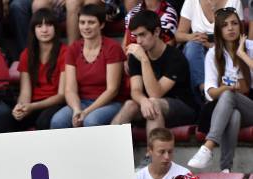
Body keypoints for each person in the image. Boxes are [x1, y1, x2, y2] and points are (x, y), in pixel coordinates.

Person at [111, 11, 195, 140]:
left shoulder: (175, 57)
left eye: (143, 35)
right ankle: (109, 150)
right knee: (130, 105)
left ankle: (150, 157)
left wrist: (144, 60)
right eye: (136, 36)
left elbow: (155, 93)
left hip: (182, 107)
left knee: (154, 103)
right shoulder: (136, 55)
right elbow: (136, 90)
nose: (138, 41)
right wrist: (143, 100)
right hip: (151, 104)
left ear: (156, 32)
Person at [187, 8, 253, 172]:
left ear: (240, 26)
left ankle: (208, 147)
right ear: (218, 30)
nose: (230, 28)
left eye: (234, 23)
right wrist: (227, 88)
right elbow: (210, 92)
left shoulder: (251, 47)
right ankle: (225, 170)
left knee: (229, 95)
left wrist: (242, 55)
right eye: (225, 25)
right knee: (233, 114)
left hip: (251, 106)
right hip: (231, 107)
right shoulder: (213, 54)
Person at [50, 4, 125, 129]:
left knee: (91, 121)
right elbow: (70, 89)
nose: (86, 27)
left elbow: (112, 90)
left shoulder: (112, 48)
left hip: (110, 103)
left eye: (91, 22)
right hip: (81, 102)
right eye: (82, 22)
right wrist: (76, 109)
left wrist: (86, 112)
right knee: (58, 121)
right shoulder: (73, 49)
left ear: (101, 24)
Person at [0, 8, 66, 133]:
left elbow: (61, 96)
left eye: (49, 25)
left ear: (56, 28)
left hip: (55, 104)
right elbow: (25, 92)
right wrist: (20, 107)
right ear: (34, 30)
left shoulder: (65, 52)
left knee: (43, 121)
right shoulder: (26, 54)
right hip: (32, 105)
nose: (44, 30)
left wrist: (32, 107)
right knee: (3, 121)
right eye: (39, 26)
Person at [175, 0, 243, 102]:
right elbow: (178, 35)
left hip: (225, 43)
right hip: (198, 43)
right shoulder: (191, 1)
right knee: (192, 47)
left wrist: (215, 45)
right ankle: (204, 92)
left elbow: (239, 32)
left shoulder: (234, 1)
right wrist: (191, 36)